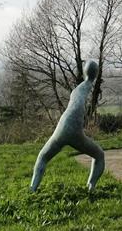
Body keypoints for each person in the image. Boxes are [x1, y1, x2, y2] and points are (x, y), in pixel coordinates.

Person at [29, 60, 105, 191]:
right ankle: (91, 187)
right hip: (74, 130)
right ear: (96, 74)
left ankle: (33, 187)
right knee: (99, 155)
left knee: (42, 157)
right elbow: (86, 88)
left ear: (84, 72)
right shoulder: (86, 85)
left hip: (61, 127)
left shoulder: (77, 89)